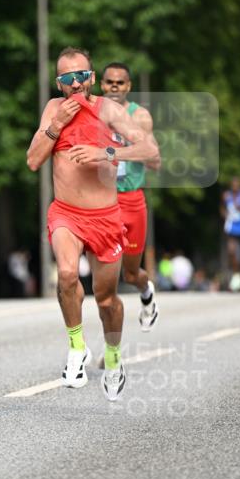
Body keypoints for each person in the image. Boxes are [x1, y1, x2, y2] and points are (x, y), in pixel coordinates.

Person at [27, 48, 159, 400]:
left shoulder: (110, 111)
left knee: (106, 300)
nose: (75, 84)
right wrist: (56, 126)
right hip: (66, 213)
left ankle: (113, 356)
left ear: (91, 77)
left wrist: (108, 153)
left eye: (81, 76)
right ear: (59, 82)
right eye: (67, 78)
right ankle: (76, 348)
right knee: (67, 275)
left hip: (106, 217)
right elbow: (32, 160)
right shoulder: (54, 109)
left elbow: (149, 152)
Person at [101, 62, 160, 330]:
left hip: (132, 200)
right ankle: (112, 342)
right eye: (109, 82)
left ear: (129, 87)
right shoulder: (93, 113)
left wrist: (117, 150)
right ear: (101, 85)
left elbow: (154, 159)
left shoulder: (140, 116)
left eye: (120, 83)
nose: (114, 86)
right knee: (107, 275)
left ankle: (146, 293)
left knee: (131, 273)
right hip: (103, 202)